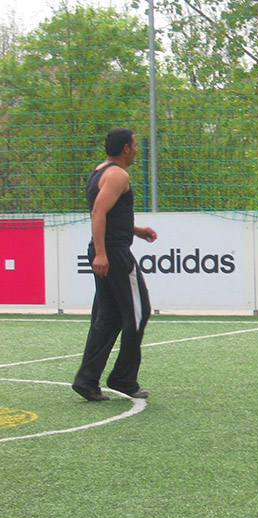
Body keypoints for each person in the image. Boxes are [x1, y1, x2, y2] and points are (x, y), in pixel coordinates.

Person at [72, 128, 157, 402]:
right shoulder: (119, 175)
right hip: (114, 254)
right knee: (139, 312)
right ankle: (123, 378)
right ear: (126, 149)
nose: (137, 150)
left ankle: (87, 380)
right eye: (135, 145)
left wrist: (136, 230)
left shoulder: (100, 170)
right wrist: (101, 254)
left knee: (108, 318)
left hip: (107, 249)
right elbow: (98, 211)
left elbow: (110, 214)